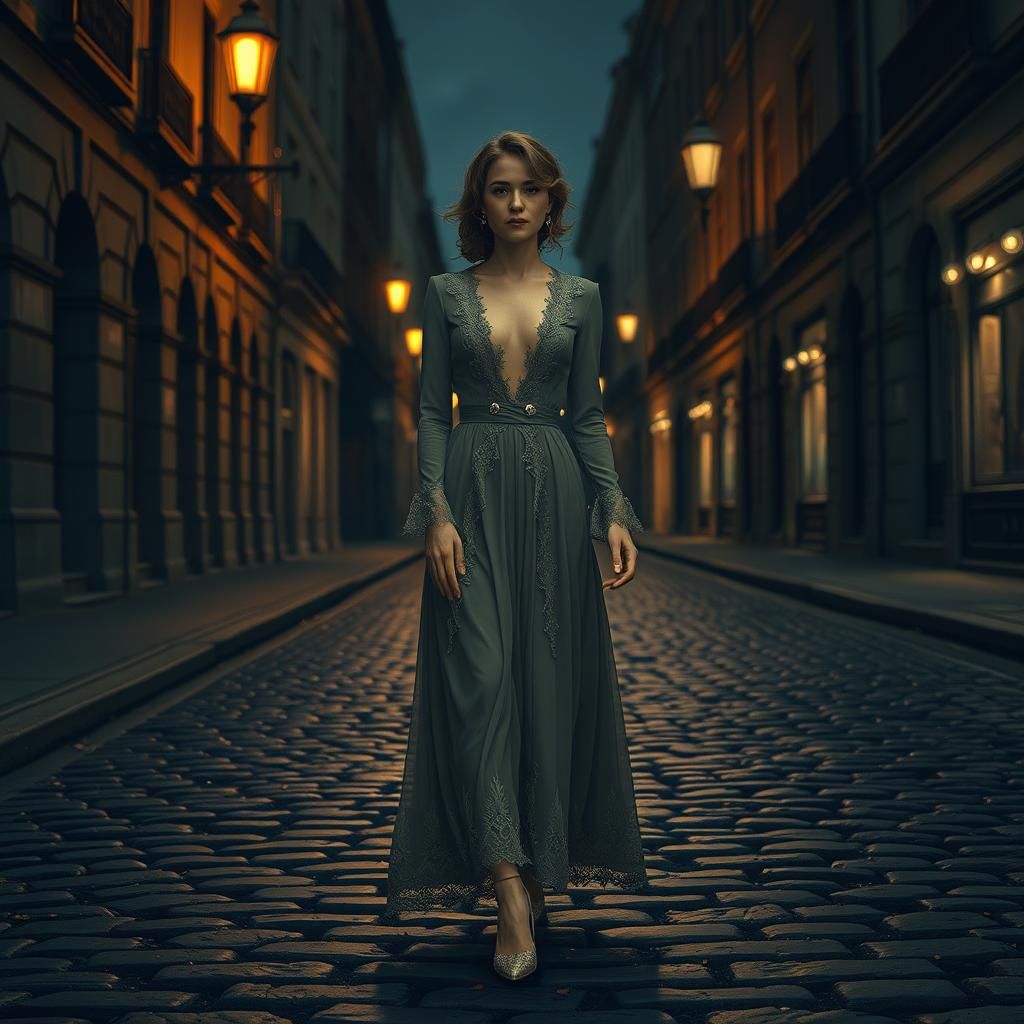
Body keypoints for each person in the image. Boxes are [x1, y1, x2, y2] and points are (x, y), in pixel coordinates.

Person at [382, 130, 647, 981]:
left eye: (530, 188)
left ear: (551, 201)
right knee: (482, 681)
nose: (517, 203)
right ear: (480, 203)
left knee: (547, 689)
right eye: (500, 189)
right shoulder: (444, 294)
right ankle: (503, 885)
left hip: (558, 501)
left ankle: (536, 867)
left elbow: (588, 414)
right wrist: (436, 513)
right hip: (473, 492)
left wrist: (611, 506)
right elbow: (429, 410)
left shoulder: (585, 297)